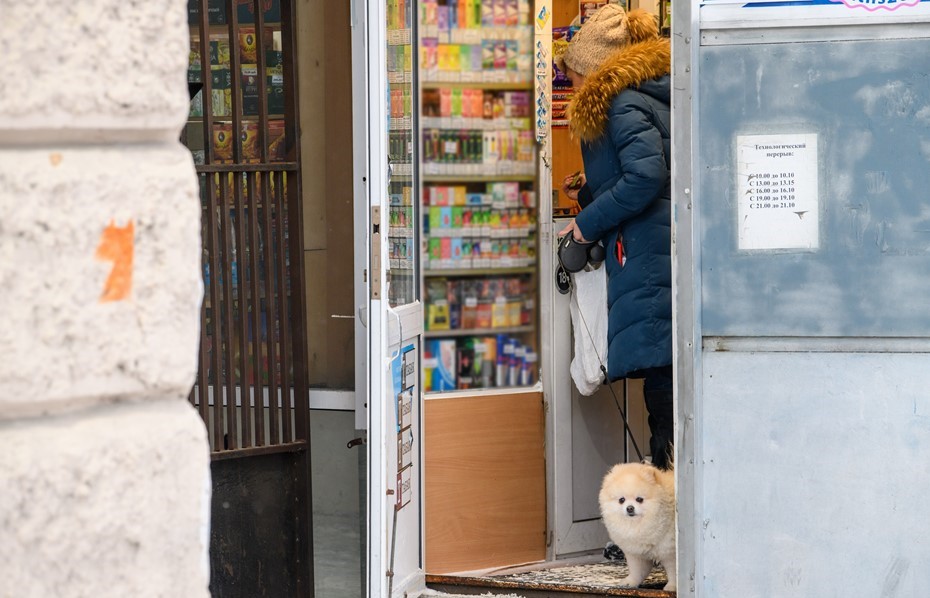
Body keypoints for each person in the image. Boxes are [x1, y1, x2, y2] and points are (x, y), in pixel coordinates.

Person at [555, 4, 673, 469]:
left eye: (573, 75)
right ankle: (665, 491)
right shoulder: (644, 96)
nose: (570, 84)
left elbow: (646, 178)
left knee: (665, 395)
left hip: (650, 260)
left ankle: (667, 500)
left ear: (593, 68)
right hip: (655, 254)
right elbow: (640, 171)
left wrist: (586, 224)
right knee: (664, 385)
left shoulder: (621, 103)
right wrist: (590, 193)